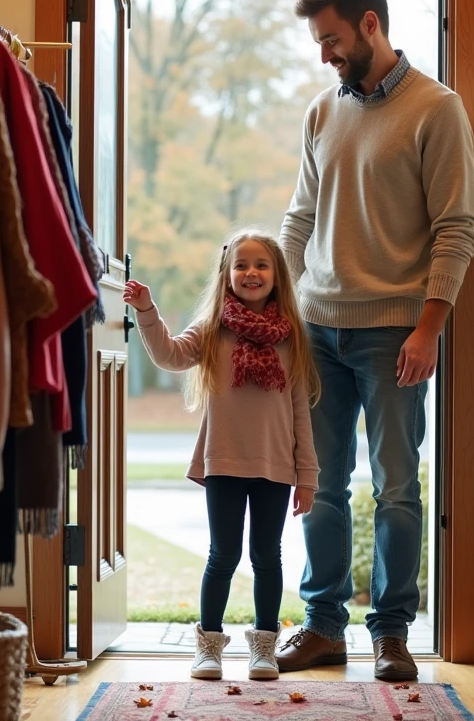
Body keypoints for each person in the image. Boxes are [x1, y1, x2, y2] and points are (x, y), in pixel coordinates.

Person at [276, 0, 474, 682]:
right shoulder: (321, 112)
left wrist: (429, 328)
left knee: (396, 486)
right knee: (320, 484)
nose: (324, 54)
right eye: (318, 42)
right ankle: (322, 628)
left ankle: (391, 634)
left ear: (370, 24)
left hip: (395, 334)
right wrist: (283, 309)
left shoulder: (437, 109)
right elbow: (298, 220)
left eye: (331, 39)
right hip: (317, 330)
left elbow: (457, 228)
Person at [123, 229, 321, 682]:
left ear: (277, 275)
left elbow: (299, 413)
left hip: (275, 466)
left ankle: (264, 648)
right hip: (224, 462)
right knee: (222, 555)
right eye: (241, 265)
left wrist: (307, 476)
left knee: (267, 557)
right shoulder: (213, 329)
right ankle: (208, 647)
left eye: (261, 265)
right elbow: (170, 356)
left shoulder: (291, 338)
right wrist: (147, 312)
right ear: (226, 274)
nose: (251, 272)